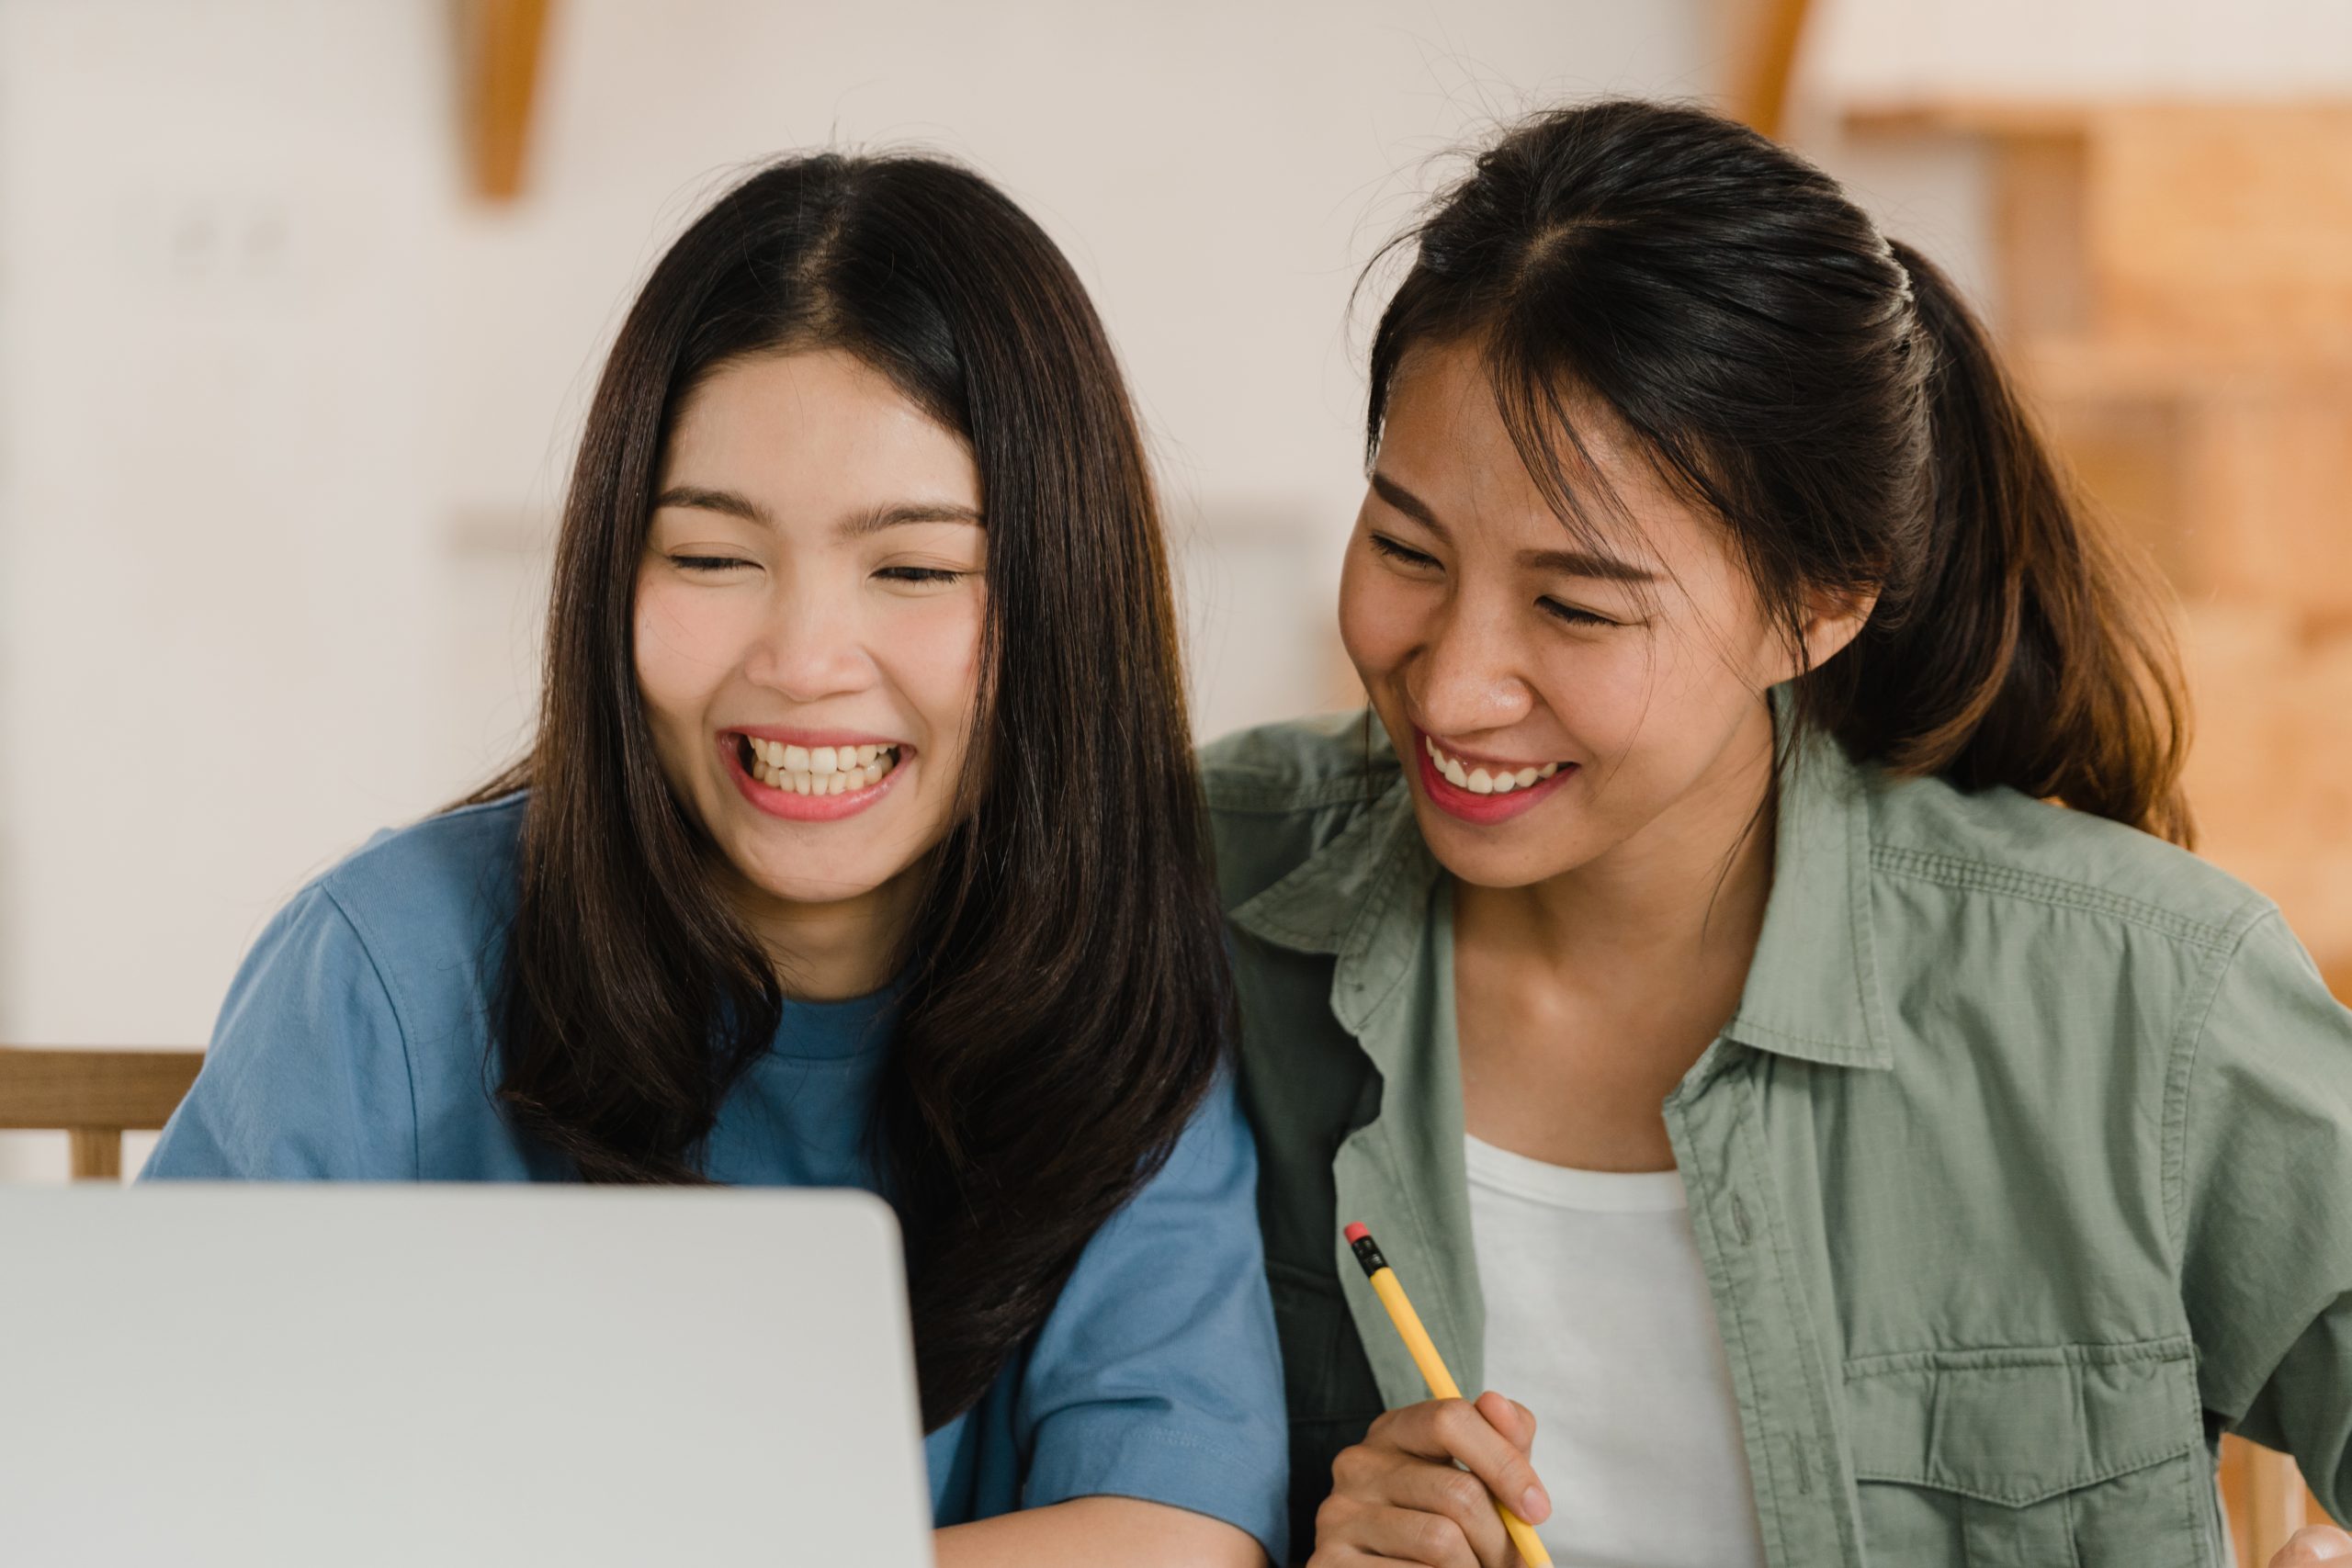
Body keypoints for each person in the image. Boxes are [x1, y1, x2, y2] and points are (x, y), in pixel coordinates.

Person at [1205, 99, 2352, 1567]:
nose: (1455, 681)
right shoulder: (1203, 891)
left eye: (1576, 606)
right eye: (1407, 550)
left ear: (1820, 604)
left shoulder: (2145, 997)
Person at [146, 152, 1285, 1567]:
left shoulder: (1116, 995)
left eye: (918, 571)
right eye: (709, 558)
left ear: (1064, 604)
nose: (803, 663)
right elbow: (155, 1479)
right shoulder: (385, 965)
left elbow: (1174, 1536)